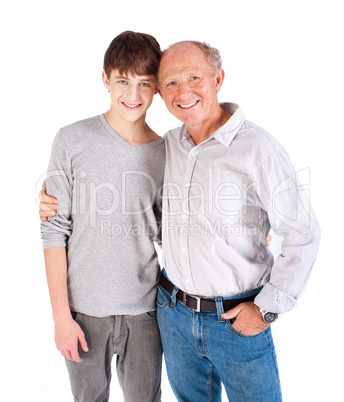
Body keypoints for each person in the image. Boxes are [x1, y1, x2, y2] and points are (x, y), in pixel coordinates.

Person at [153, 41, 321, 401]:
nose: (183, 91)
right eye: (170, 83)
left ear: (218, 79)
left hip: (237, 320)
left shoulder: (258, 149)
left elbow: (302, 234)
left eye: (194, 77)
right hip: (174, 315)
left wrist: (266, 310)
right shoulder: (168, 145)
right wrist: (57, 195)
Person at [40, 31, 164, 402]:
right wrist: (61, 317)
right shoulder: (71, 140)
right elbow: (53, 232)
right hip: (82, 312)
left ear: (157, 88)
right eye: (123, 80)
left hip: (145, 312)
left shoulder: (166, 153)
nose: (133, 94)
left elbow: (177, 229)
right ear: (106, 79)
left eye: (145, 83)